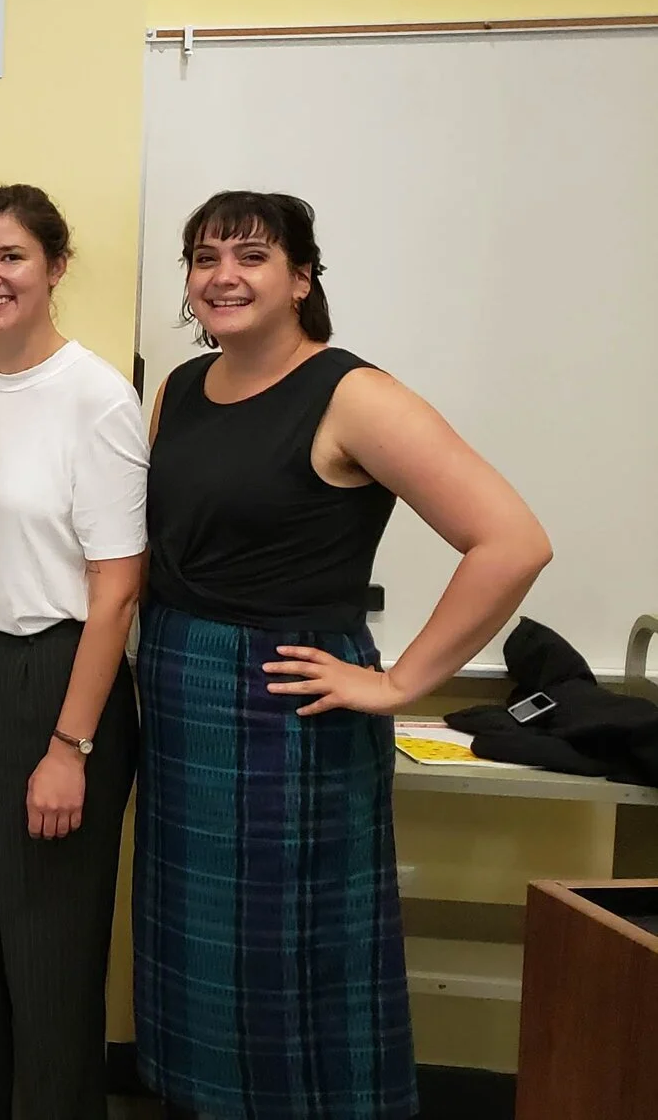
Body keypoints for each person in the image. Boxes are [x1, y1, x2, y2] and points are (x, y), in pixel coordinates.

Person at [136, 191, 550, 1120]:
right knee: (203, 954)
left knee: (291, 961)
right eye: (204, 258)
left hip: (288, 712)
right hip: (176, 691)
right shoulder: (180, 389)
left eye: (251, 256)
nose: (223, 276)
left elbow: (512, 541)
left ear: (301, 277)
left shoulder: (353, 393)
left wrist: (403, 680)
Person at [0, 186, 146, 1119]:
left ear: (55, 266)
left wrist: (69, 747)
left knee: (49, 971)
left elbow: (117, 587)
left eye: (9, 256)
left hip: (59, 683)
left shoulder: (97, 397)